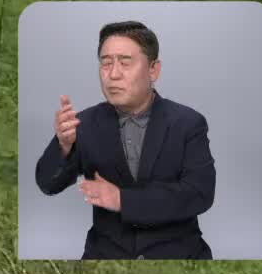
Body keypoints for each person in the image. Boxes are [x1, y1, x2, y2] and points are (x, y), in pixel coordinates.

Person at [34, 20, 216, 259]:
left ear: (153, 70)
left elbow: (200, 194)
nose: (113, 74)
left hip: (178, 255)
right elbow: (48, 185)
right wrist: (63, 146)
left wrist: (123, 200)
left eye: (125, 62)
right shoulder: (85, 124)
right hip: (104, 258)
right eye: (106, 63)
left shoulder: (187, 123)